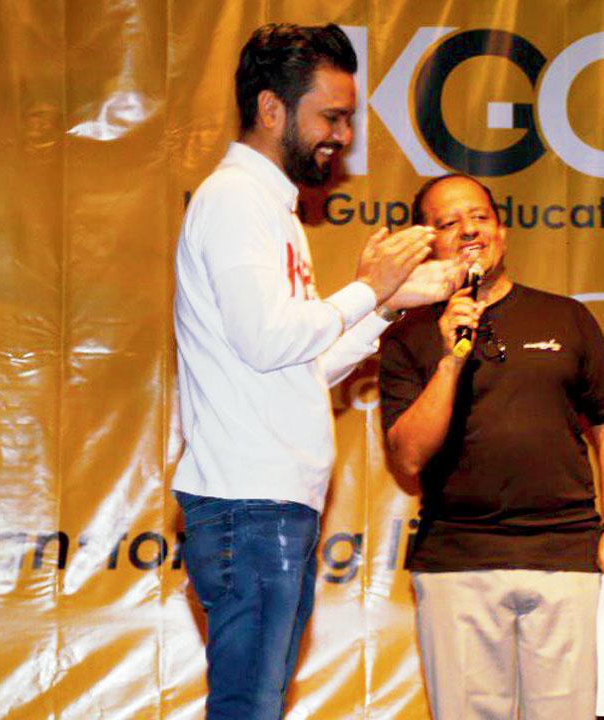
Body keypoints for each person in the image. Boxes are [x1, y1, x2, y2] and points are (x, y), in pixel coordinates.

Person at [172, 23, 461, 719]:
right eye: (330, 116)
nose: (343, 135)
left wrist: (388, 307)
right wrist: (368, 286)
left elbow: (300, 363)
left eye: (349, 118)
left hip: (271, 501)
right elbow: (270, 339)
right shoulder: (236, 201)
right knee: (249, 704)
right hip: (248, 503)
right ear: (271, 109)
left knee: (259, 701)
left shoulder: (272, 209)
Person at [377, 173, 604, 720]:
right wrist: (450, 358)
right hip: (458, 563)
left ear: (501, 228)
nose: (468, 230)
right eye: (448, 223)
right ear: (429, 241)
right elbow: (407, 457)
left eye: (478, 216)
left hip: (566, 558)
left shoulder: (566, 316)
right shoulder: (407, 336)